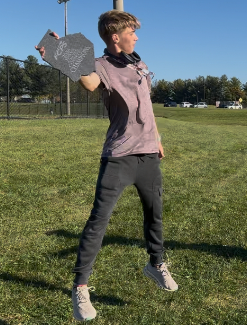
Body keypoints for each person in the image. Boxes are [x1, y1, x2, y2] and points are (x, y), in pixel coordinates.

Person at [36, 10, 178, 321]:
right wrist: (59, 53)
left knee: (155, 214)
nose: (137, 37)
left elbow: (147, 108)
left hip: (149, 155)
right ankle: (80, 288)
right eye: (132, 32)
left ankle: (155, 264)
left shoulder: (139, 63)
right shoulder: (101, 66)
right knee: (98, 222)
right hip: (119, 157)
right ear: (116, 37)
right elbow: (88, 82)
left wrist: (158, 139)